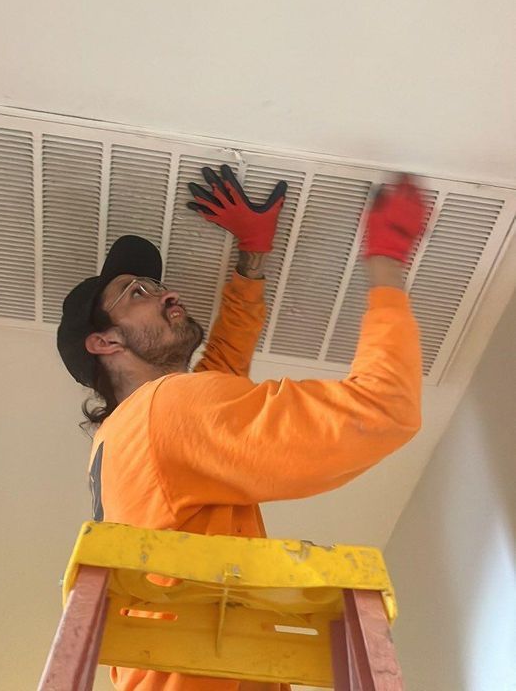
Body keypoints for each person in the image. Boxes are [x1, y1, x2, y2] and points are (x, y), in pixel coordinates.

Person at [57, 165, 425, 691]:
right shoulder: (166, 411)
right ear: (106, 341)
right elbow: (381, 409)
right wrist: (387, 260)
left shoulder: (126, 435)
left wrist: (253, 256)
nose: (168, 294)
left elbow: (219, 375)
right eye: (137, 292)